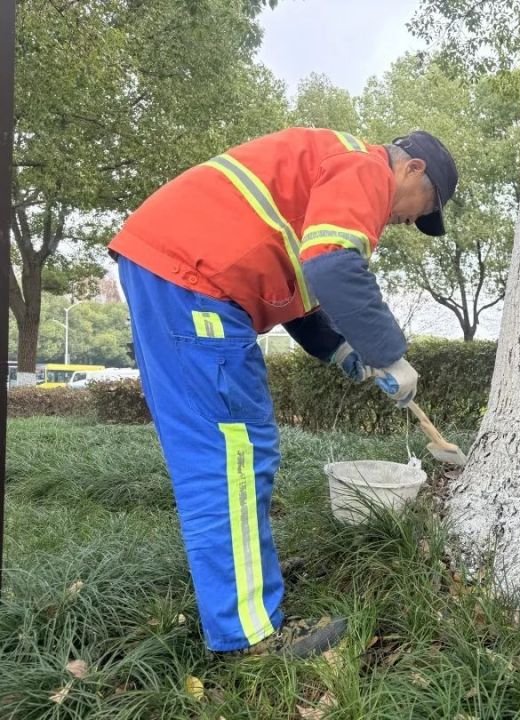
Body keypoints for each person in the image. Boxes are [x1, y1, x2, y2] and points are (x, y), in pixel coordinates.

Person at [109, 128, 458, 656]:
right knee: (233, 455)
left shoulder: (320, 172)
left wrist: (345, 352)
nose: (408, 220)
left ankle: (248, 581)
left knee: (233, 452)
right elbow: (335, 266)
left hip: (176, 274)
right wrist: (389, 352)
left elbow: (298, 287)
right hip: (195, 282)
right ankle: (250, 635)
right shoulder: (365, 167)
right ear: (411, 170)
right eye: (421, 207)